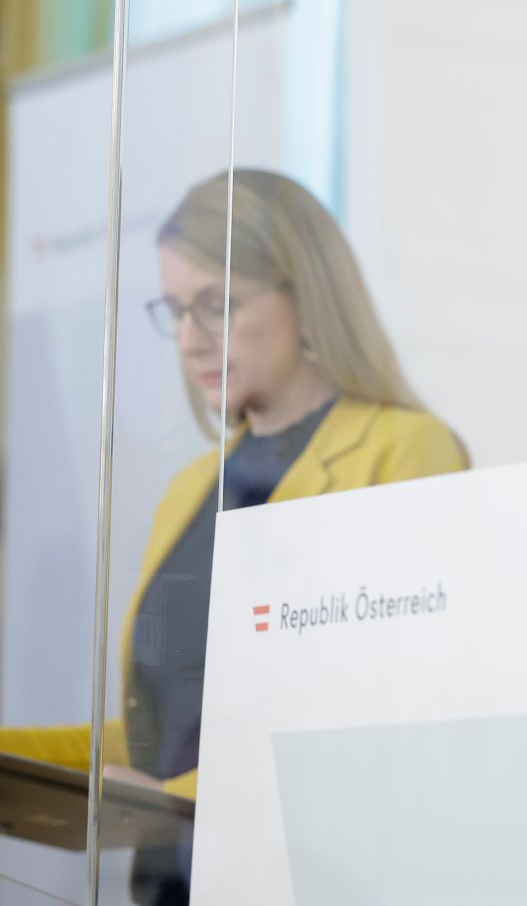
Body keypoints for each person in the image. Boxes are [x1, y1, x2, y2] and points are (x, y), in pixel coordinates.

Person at [0, 168, 468, 905]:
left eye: (217, 306)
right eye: (176, 310)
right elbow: (150, 740)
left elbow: (375, 720)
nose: (189, 340)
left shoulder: (406, 451)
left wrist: (169, 801)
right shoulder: (190, 489)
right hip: (167, 885)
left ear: (306, 297)